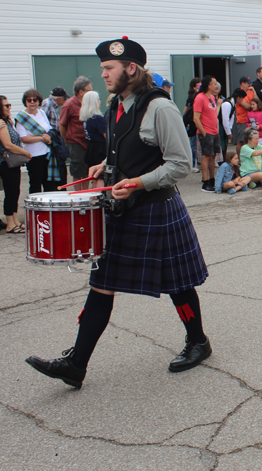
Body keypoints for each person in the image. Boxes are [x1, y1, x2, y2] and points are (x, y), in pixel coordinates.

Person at [25, 36, 211, 389]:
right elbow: (123, 152)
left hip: (157, 207)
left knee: (179, 283)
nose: (104, 74)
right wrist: (103, 165)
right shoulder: (115, 108)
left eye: (109, 68)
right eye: (102, 69)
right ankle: (76, 364)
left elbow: (180, 164)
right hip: (123, 209)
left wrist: (138, 182)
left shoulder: (160, 107)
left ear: (131, 68)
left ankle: (198, 341)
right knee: (101, 284)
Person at [15, 89, 57, 193]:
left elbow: (48, 129)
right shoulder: (21, 117)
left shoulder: (42, 112)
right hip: (33, 156)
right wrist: (42, 138)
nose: (32, 102)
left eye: (35, 100)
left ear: (39, 101)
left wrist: (48, 136)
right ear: (25, 102)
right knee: (35, 185)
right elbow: (23, 138)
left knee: (49, 184)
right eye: (29, 100)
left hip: (47, 153)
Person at [0, 95, 31, 233]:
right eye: (6, 105)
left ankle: (15, 220)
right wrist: (25, 153)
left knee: (15, 191)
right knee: (10, 192)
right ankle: (10, 224)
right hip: (6, 162)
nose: (9, 107)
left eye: (10, 104)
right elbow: (8, 145)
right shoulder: (0, 123)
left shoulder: (7, 122)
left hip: (13, 163)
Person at [59, 76, 93, 190]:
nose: (91, 92)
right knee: (78, 172)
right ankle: (78, 196)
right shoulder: (69, 105)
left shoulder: (88, 103)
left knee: (87, 172)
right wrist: (66, 141)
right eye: (89, 90)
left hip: (88, 142)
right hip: (76, 143)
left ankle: (86, 194)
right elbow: (62, 124)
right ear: (81, 92)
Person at [193, 75, 223, 193]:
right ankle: (205, 182)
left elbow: (213, 115)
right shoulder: (200, 98)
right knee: (206, 156)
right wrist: (204, 133)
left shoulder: (211, 97)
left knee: (213, 156)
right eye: (214, 83)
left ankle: (212, 179)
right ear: (208, 85)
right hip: (206, 132)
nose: (216, 86)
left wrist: (219, 105)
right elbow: (196, 118)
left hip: (214, 131)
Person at [80, 91, 107, 168]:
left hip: (91, 149)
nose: (100, 101)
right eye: (98, 99)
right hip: (100, 150)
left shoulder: (87, 119)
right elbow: (107, 136)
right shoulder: (98, 118)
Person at [183, 77, 201, 173]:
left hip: (199, 124)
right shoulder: (191, 98)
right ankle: (192, 163)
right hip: (193, 124)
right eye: (199, 85)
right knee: (193, 145)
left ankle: (198, 162)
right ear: (194, 87)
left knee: (198, 145)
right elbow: (185, 111)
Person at [234, 76, 255, 155]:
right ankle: (239, 159)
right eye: (247, 83)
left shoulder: (250, 92)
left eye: (250, 83)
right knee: (241, 141)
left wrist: (254, 92)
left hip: (250, 120)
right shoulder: (239, 92)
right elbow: (246, 105)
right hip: (242, 120)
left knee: (249, 141)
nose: (249, 84)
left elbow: (257, 102)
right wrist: (252, 106)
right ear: (242, 84)